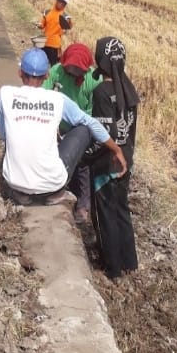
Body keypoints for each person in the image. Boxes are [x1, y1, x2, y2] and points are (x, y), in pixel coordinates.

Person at [0, 47, 126, 207]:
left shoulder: (5, 94)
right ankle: (57, 193)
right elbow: (92, 123)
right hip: (51, 185)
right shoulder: (57, 99)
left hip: (14, 182)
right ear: (47, 75)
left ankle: (21, 193)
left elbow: (4, 135)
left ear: (19, 73)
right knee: (84, 129)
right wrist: (116, 150)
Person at [84, 37, 140, 280]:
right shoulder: (129, 89)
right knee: (121, 210)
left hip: (107, 163)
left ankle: (113, 267)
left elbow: (104, 134)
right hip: (126, 159)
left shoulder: (101, 92)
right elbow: (129, 132)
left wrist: (85, 157)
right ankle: (130, 262)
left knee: (105, 214)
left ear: (100, 61)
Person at [42, 42, 101, 224]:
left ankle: (83, 205)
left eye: (78, 70)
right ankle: (55, 189)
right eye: (70, 69)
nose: (73, 73)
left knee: (82, 163)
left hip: (81, 128)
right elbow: (43, 97)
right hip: (56, 125)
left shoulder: (94, 80)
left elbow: (93, 113)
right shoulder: (56, 72)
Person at [39, 0, 72, 65]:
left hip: (55, 45)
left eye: (63, 3)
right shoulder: (47, 12)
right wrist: (39, 25)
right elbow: (42, 25)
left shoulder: (65, 16)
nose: (61, 3)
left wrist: (68, 22)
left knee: (53, 65)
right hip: (44, 42)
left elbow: (69, 27)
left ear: (65, 5)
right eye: (59, 1)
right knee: (41, 63)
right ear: (56, 1)